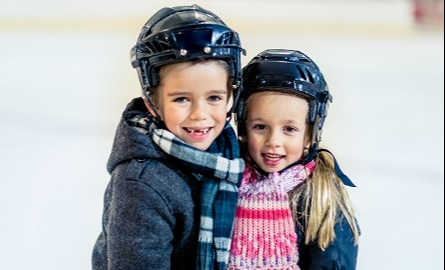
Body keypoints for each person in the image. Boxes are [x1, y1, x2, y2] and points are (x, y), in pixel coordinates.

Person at [92, 5, 246, 270]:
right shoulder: (141, 185)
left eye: (214, 98)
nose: (200, 114)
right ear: (153, 103)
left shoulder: (229, 156)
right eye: (182, 99)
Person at [228, 49, 360, 269]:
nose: (273, 141)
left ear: (310, 134)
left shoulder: (321, 200)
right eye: (260, 127)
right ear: (243, 125)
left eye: (289, 129)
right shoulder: (228, 182)